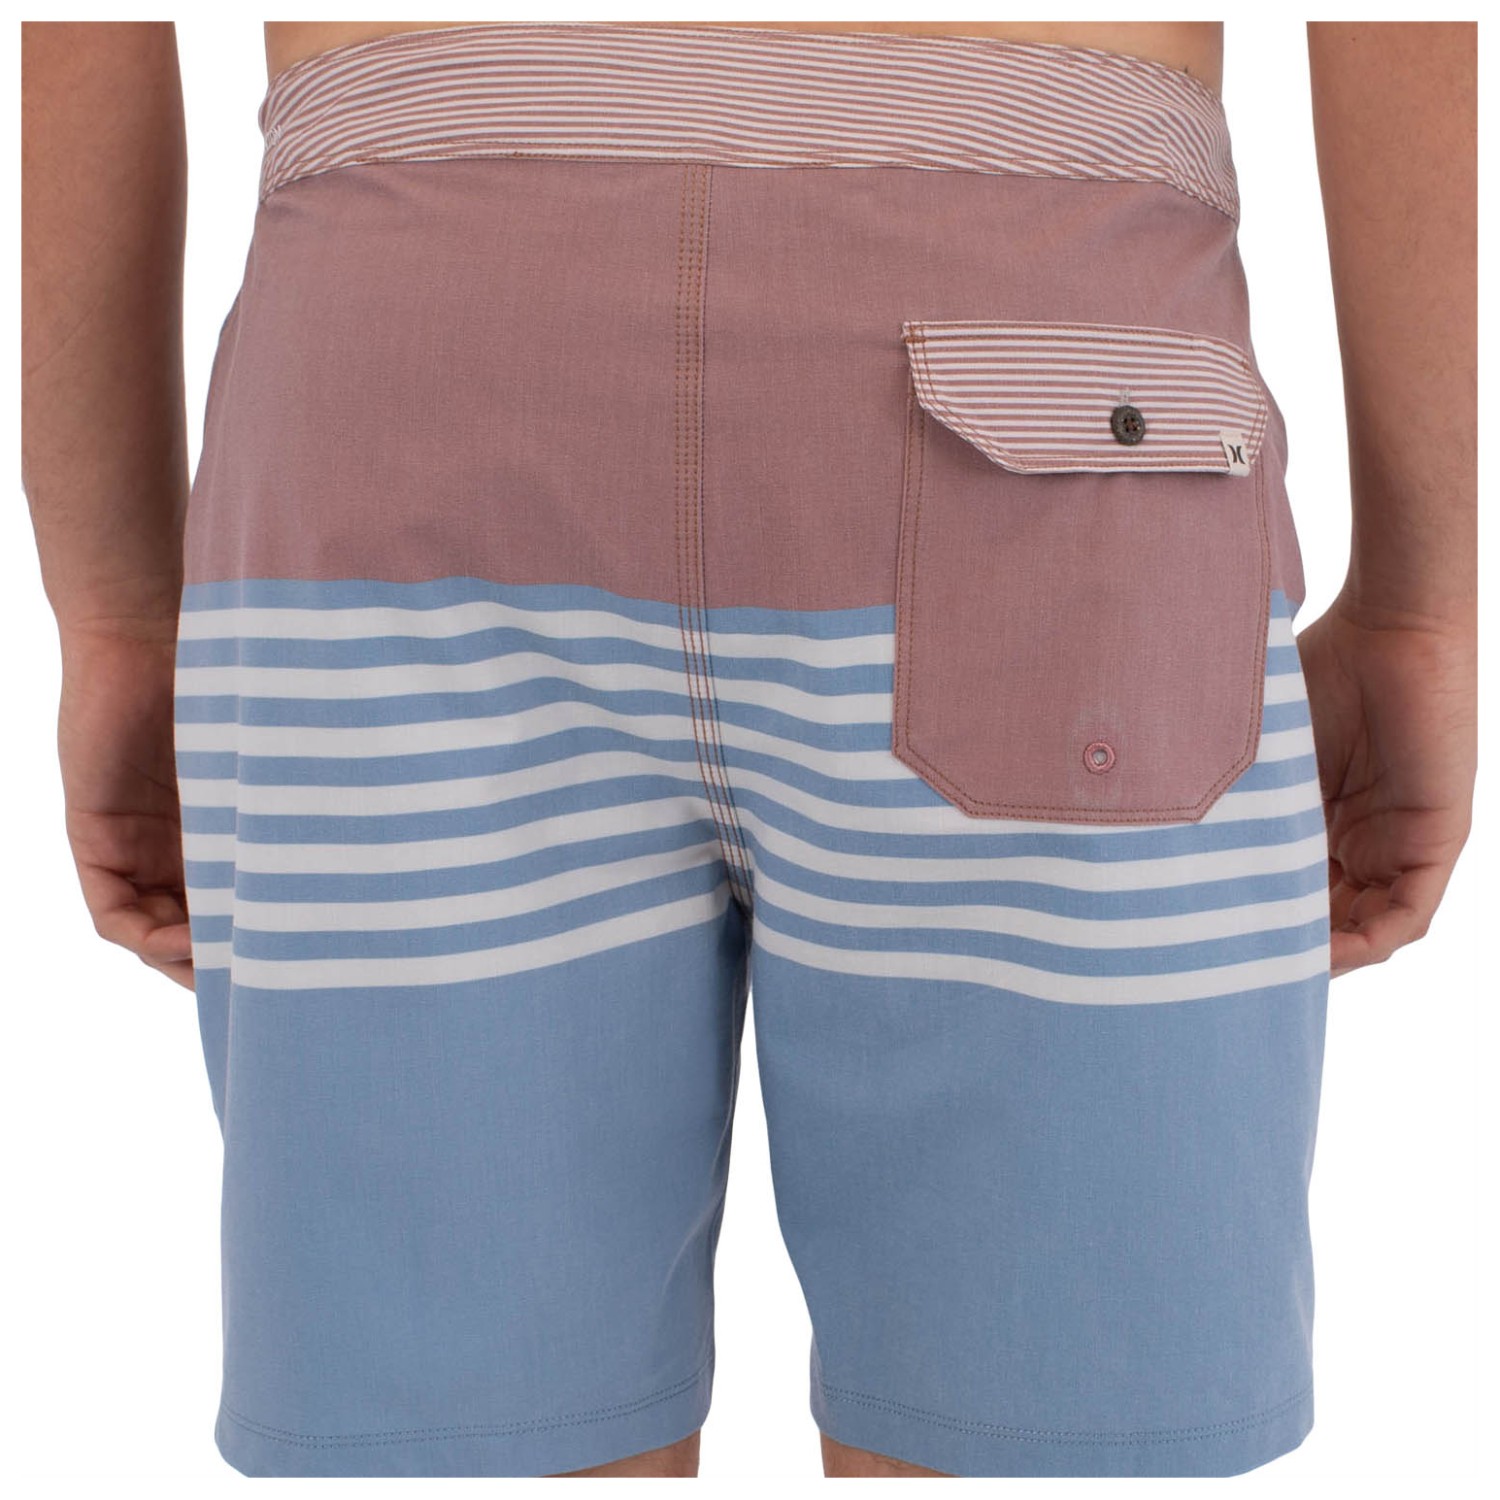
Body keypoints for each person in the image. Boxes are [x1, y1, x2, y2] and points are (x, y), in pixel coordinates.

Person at [19, 19, 1476, 1480]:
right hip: (1063, 391)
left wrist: (119, 612)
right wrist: (1422, 607)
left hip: (395, 391)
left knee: (462, 1443)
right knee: (1047, 1430)